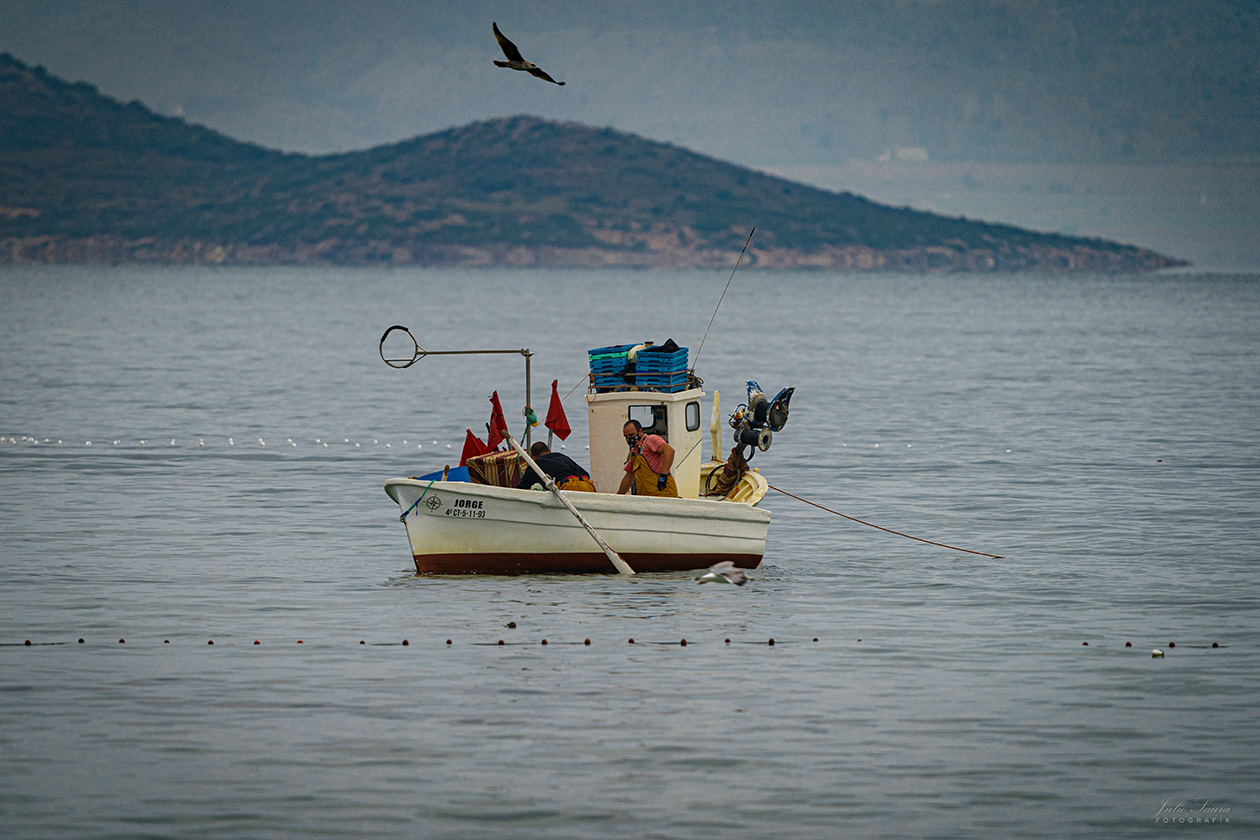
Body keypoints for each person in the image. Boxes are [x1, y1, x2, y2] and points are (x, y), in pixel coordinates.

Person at [617, 419, 678, 497]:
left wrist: (663, 476)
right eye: (626, 436)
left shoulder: (650, 440)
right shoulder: (634, 453)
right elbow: (628, 477)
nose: (629, 439)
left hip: (663, 493)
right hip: (645, 496)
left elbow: (669, 451)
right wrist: (617, 497)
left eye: (631, 435)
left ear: (640, 431)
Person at [515, 441, 596, 492]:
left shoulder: (536, 463)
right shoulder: (561, 456)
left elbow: (522, 488)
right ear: (549, 451)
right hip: (588, 484)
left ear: (532, 457)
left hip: (568, 486)